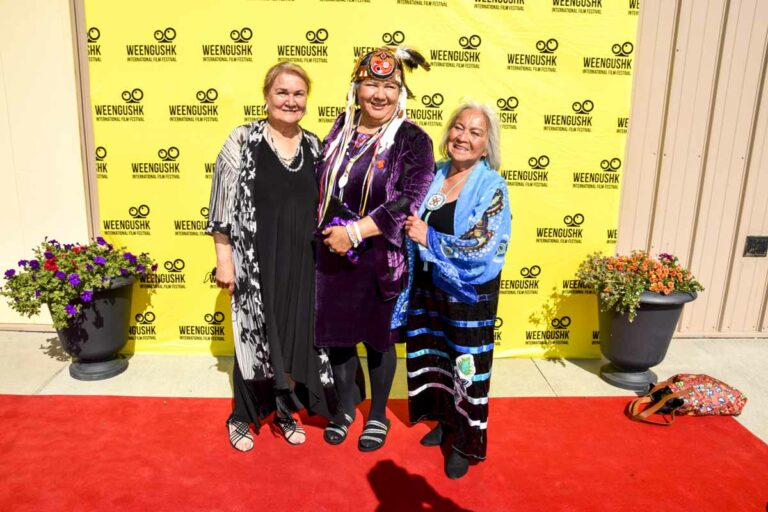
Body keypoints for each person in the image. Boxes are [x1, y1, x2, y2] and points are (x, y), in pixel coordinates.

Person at [206, 62, 335, 451]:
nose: (290, 101)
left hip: (303, 264)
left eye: (298, 94)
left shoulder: (315, 146)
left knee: (294, 341)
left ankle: (284, 410)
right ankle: (242, 417)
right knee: (253, 342)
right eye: (282, 92)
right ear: (266, 97)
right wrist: (224, 261)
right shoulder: (242, 140)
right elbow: (220, 209)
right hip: (254, 262)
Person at [316, 47, 435, 451]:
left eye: (389, 85)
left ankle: (379, 414)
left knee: (379, 340)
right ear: (356, 88)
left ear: (401, 92)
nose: (379, 94)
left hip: (381, 257)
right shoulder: (341, 128)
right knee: (339, 337)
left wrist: (354, 232)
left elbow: (408, 198)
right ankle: (346, 408)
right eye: (371, 84)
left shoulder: (413, 139)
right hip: (332, 256)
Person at [404, 101, 511, 478]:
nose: (463, 137)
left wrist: (429, 237)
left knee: (467, 369)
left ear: (486, 145)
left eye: (475, 132)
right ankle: (446, 423)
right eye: (458, 128)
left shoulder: (492, 186)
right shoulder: (434, 174)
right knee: (436, 359)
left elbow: (484, 245)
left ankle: (466, 443)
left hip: (468, 297)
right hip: (430, 290)